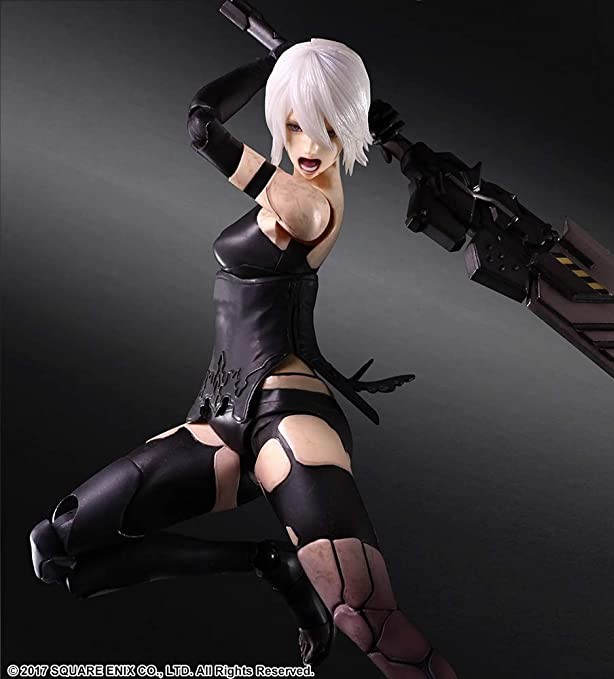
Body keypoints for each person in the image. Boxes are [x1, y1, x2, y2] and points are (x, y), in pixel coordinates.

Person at [29, 36, 456, 679]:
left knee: (364, 614)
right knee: (56, 547)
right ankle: (269, 564)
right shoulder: (296, 183)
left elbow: (203, 124)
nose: (308, 147)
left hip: (289, 417)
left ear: (348, 130)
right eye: (295, 126)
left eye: (328, 131)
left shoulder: (307, 204)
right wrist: (301, 80)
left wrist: (271, 61)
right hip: (219, 416)